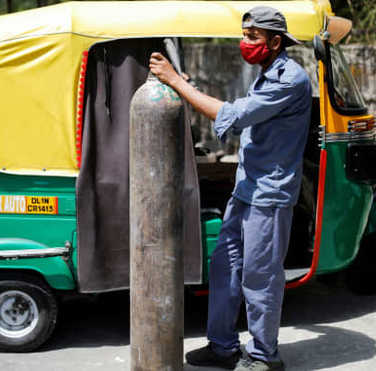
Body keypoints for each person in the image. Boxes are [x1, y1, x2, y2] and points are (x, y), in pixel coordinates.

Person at [150, 6, 312, 371]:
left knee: (260, 278)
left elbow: (233, 116)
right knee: (225, 267)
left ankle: (264, 356)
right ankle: (222, 347)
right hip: (246, 190)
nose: (245, 43)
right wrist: (186, 85)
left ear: (274, 41)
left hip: (269, 196)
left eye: (252, 37)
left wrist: (178, 82)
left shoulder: (290, 79)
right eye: (243, 35)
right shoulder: (267, 72)